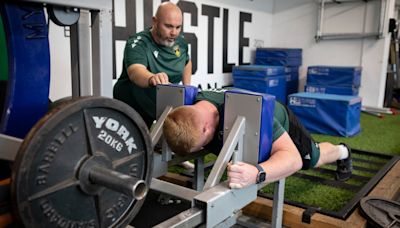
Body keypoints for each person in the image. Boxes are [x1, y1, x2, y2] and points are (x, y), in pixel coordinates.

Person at [163, 88, 353, 189]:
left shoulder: (252, 115)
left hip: (276, 118)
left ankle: (343, 151)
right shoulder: (193, 106)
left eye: (201, 145)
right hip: (246, 118)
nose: (201, 149)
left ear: (206, 128)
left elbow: (293, 159)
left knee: (312, 159)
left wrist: (257, 173)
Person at [113, 2, 192, 128]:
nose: (174, 33)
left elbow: (186, 62)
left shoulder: (180, 42)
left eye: (178, 27)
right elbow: (135, 71)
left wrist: (187, 87)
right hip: (133, 107)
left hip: (159, 106)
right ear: (154, 21)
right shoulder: (138, 43)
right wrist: (152, 78)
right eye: (168, 26)